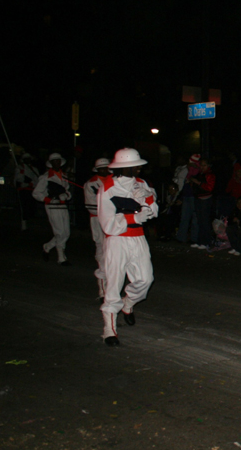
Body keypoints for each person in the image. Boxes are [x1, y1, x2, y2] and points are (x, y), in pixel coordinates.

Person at [97, 148, 159, 346]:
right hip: (117, 240)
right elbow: (106, 223)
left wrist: (148, 200)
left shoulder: (141, 184)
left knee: (145, 279)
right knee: (114, 283)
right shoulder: (107, 187)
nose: (140, 169)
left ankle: (129, 303)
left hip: (138, 238)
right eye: (136, 166)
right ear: (124, 168)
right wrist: (133, 217)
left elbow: (154, 211)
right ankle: (109, 329)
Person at [33, 152, 73, 266]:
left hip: (62, 205)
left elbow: (67, 191)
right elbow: (36, 193)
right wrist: (48, 199)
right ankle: (61, 258)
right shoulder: (46, 177)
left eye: (58, 161)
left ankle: (48, 246)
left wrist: (66, 196)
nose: (57, 163)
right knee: (60, 232)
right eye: (54, 161)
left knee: (66, 232)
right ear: (50, 163)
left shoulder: (64, 176)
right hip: (52, 206)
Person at [83, 158, 111, 300]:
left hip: (113, 222)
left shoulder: (115, 181)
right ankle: (102, 290)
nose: (104, 170)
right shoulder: (91, 184)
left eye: (106, 168)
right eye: (101, 168)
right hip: (98, 220)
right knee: (101, 251)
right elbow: (90, 205)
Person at [189, 158, 216, 250]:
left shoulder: (210, 175)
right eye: (201, 165)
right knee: (199, 221)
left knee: (205, 221)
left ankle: (206, 242)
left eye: (204, 165)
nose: (202, 167)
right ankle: (200, 241)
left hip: (206, 200)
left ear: (208, 166)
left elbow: (210, 188)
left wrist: (198, 183)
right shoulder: (199, 174)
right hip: (198, 199)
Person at [175, 154, 200, 244]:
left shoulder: (197, 172)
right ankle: (181, 237)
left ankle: (194, 239)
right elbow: (185, 186)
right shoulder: (188, 172)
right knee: (184, 218)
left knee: (194, 219)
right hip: (187, 196)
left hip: (194, 197)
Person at [15, 153, 40, 230]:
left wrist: (31, 183)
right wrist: (26, 182)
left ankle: (31, 221)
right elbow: (19, 179)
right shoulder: (19, 168)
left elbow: (37, 180)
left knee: (31, 207)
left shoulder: (34, 169)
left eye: (29, 158)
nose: (27, 160)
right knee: (23, 207)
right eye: (26, 158)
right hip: (22, 191)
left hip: (31, 190)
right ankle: (24, 223)